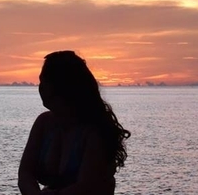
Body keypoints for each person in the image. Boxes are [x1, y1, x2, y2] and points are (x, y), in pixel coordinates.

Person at [18, 51, 130, 195]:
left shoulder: (95, 132)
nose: (40, 87)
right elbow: (25, 174)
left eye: (44, 81)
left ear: (63, 87)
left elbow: (85, 187)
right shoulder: (43, 123)